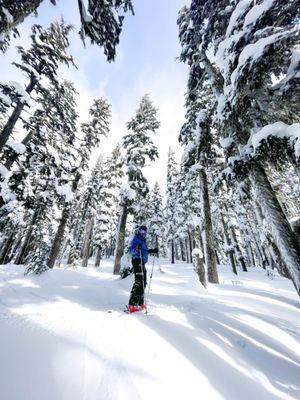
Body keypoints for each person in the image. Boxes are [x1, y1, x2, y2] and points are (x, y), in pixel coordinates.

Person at [127, 226, 158, 313]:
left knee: (143, 282)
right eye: (142, 231)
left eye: (145, 232)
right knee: (139, 281)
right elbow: (131, 251)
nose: (144, 233)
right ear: (139, 231)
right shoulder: (136, 239)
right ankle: (132, 304)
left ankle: (140, 303)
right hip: (137, 261)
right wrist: (136, 248)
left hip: (142, 261)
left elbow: (144, 251)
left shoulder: (143, 241)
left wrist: (152, 251)